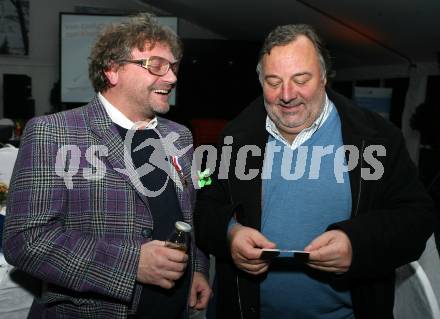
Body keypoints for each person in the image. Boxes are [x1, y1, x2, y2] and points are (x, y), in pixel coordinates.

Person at [194, 24, 434, 318]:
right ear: (260, 81)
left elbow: (417, 219)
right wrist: (230, 233)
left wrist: (356, 244)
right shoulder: (235, 136)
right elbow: (205, 209)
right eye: (273, 81)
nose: (287, 94)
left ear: (323, 76)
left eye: (301, 79)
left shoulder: (377, 137)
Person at [2, 12, 210, 318]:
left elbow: (187, 215)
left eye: (173, 66)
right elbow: (25, 241)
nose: (172, 77)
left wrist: (198, 269)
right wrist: (132, 264)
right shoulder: (54, 132)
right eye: (156, 65)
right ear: (112, 70)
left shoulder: (178, 135)